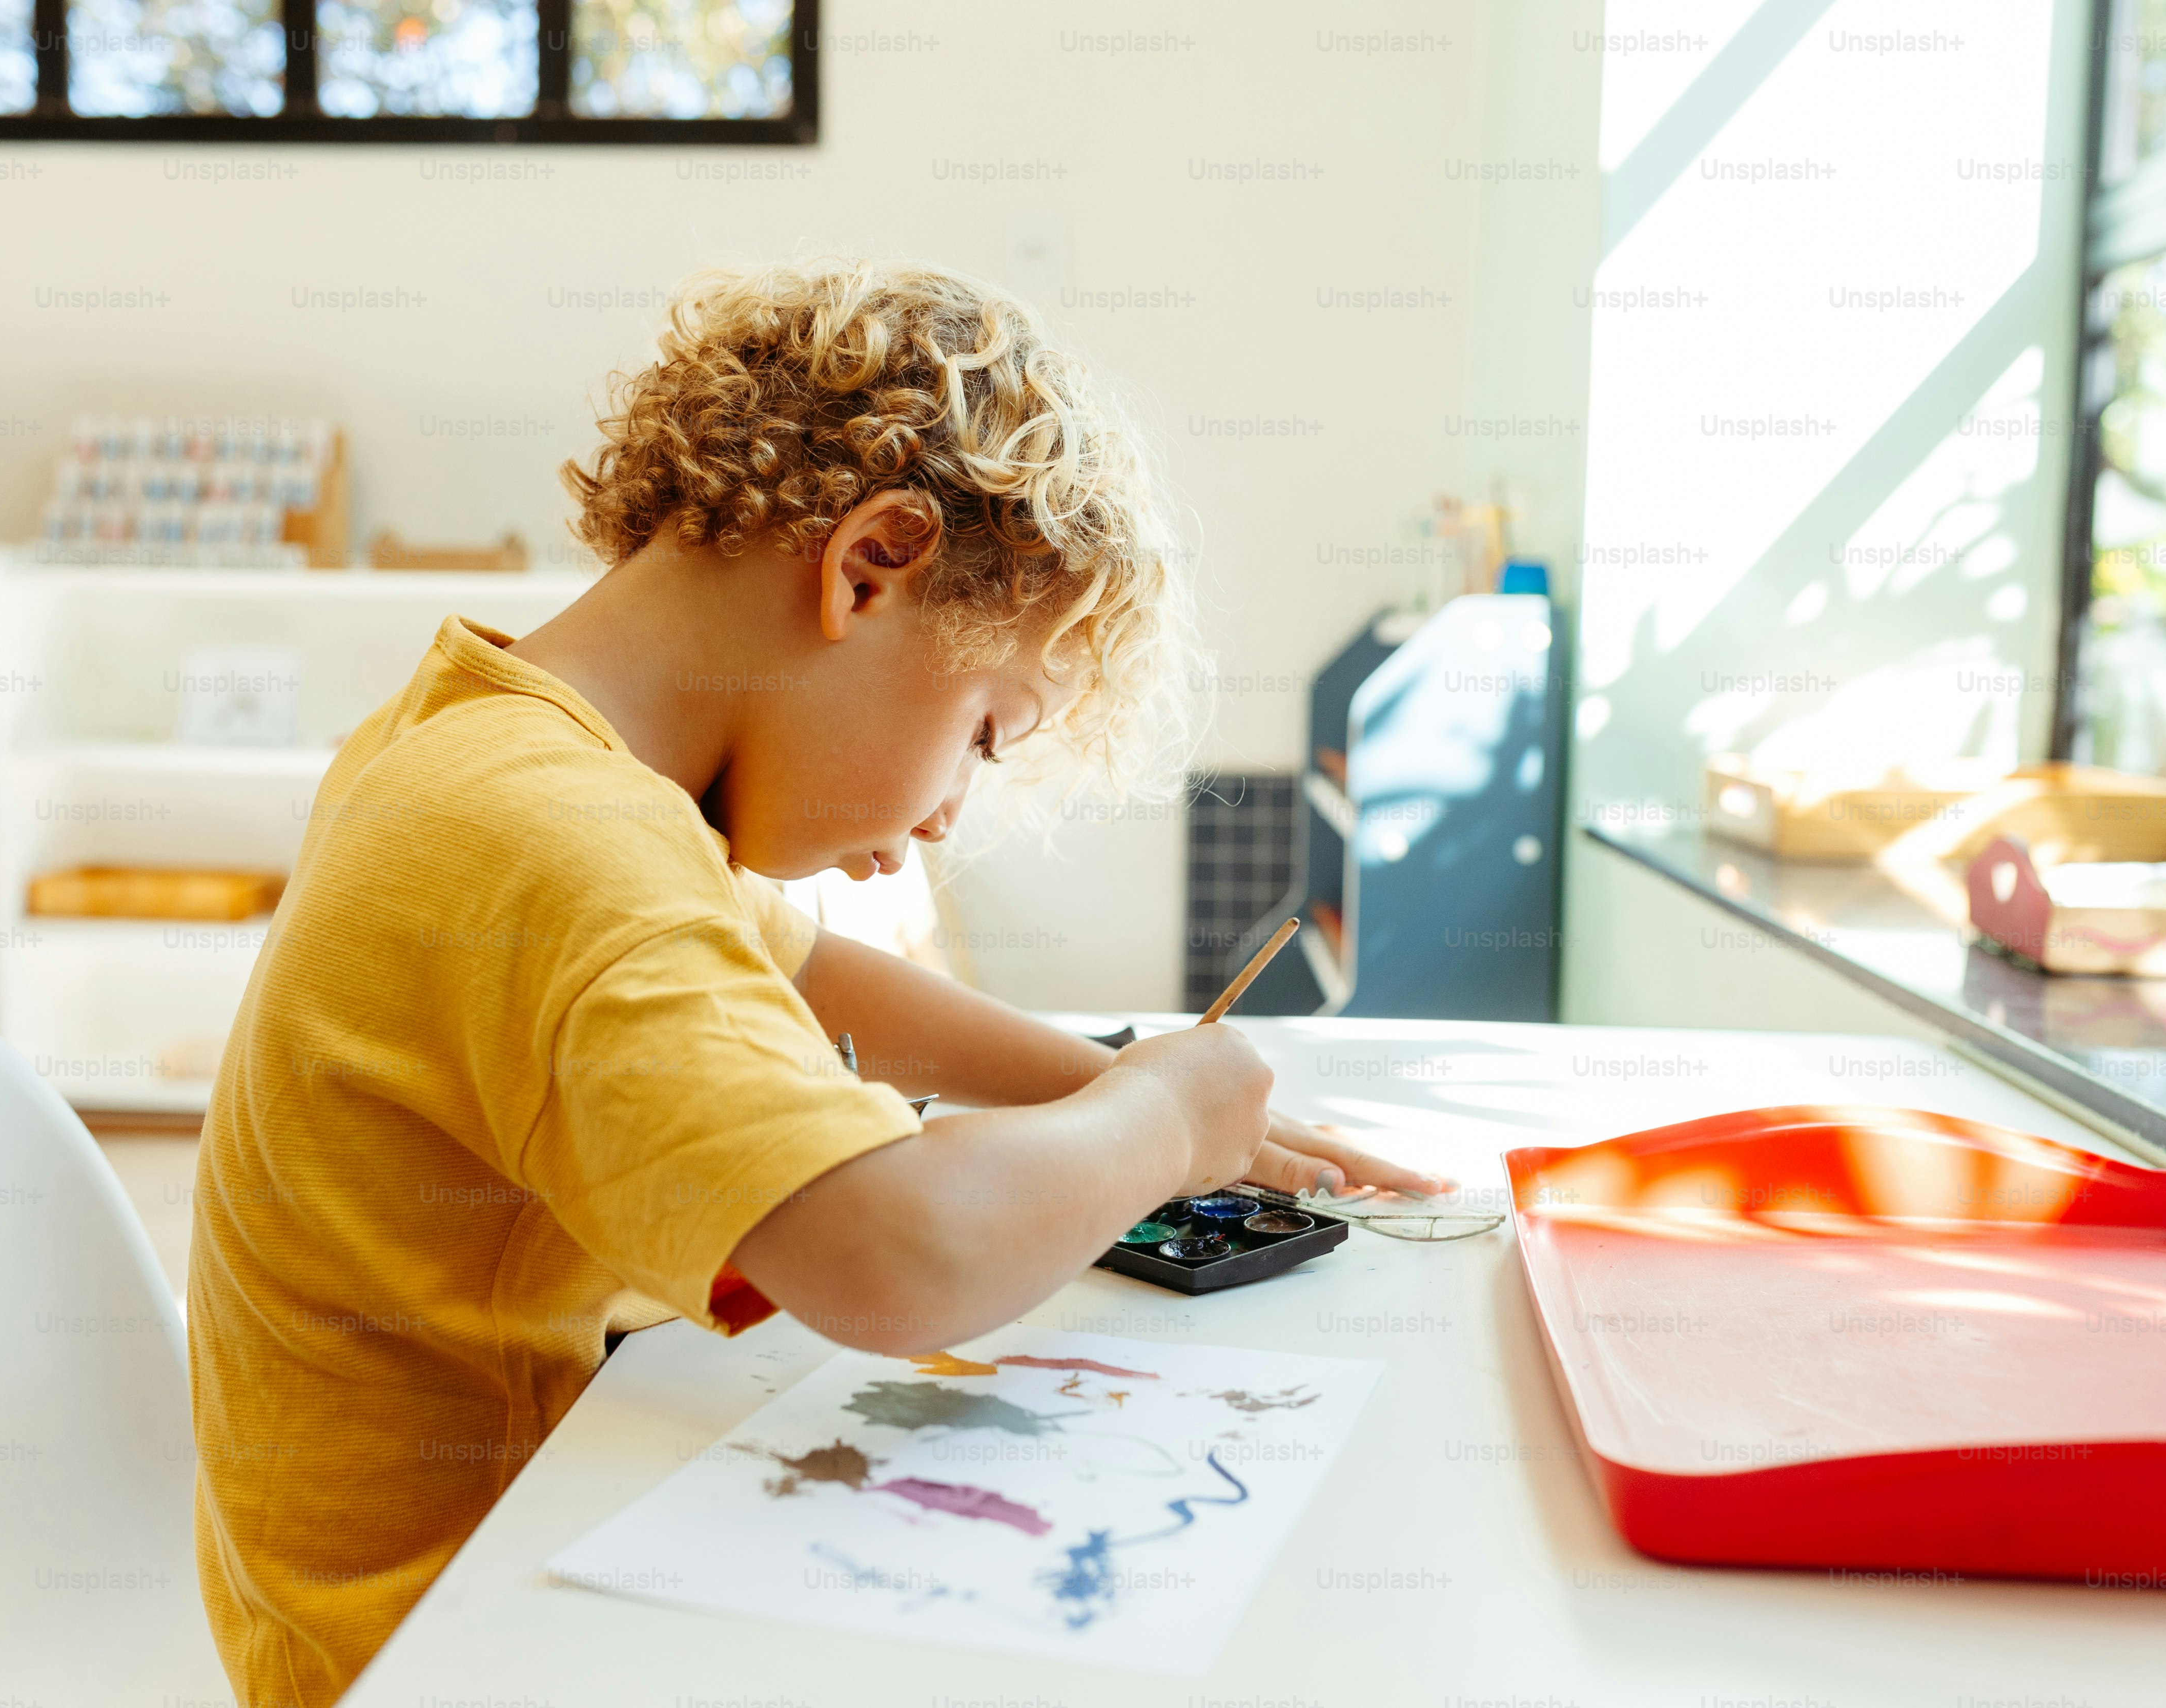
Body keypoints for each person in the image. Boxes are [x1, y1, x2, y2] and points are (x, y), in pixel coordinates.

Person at [188, 257, 1437, 1706]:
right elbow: (895, 1257)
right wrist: (1158, 1124)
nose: (941, 821)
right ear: (869, 567)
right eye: (984, 731)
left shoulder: (491, 739)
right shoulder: (551, 842)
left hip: (473, 1570)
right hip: (456, 1644)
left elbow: (804, 967)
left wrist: (1107, 1085)